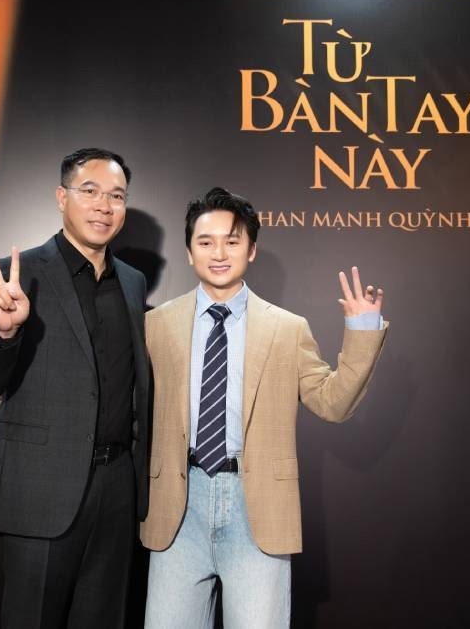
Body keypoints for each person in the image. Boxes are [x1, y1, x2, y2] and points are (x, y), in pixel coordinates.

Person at [141, 187, 388, 628]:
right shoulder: (156, 325)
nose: (219, 253)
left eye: (232, 241)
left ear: (251, 250)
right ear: (189, 251)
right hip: (177, 505)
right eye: (206, 241)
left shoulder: (287, 329)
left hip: (257, 508)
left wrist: (363, 329)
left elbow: (332, 403)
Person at [0, 148, 150, 628]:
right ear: (62, 198)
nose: (104, 206)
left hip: (115, 491)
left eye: (117, 196)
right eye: (90, 191)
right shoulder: (21, 274)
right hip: (40, 489)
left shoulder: (132, 283)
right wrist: (5, 335)